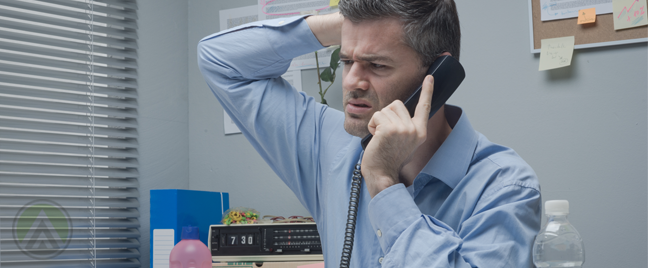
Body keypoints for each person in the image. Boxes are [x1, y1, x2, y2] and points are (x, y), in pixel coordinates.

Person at [198, 0, 541, 267]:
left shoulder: (505, 187)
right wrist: (345, 27)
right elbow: (219, 61)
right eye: (347, 61)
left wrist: (383, 182)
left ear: (439, 73)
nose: (351, 82)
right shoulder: (329, 143)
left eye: (376, 65)